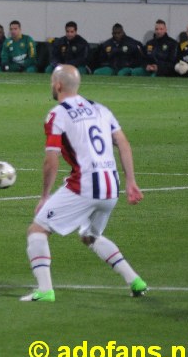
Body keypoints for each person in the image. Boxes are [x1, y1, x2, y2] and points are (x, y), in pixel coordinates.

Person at [21, 64, 147, 302]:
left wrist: (44, 195)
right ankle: (135, 281)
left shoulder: (57, 114)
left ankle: (45, 290)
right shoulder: (101, 109)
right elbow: (123, 142)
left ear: (58, 85)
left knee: (37, 230)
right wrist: (131, 181)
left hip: (85, 185)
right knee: (90, 235)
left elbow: (51, 160)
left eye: (51, 82)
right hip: (111, 187)